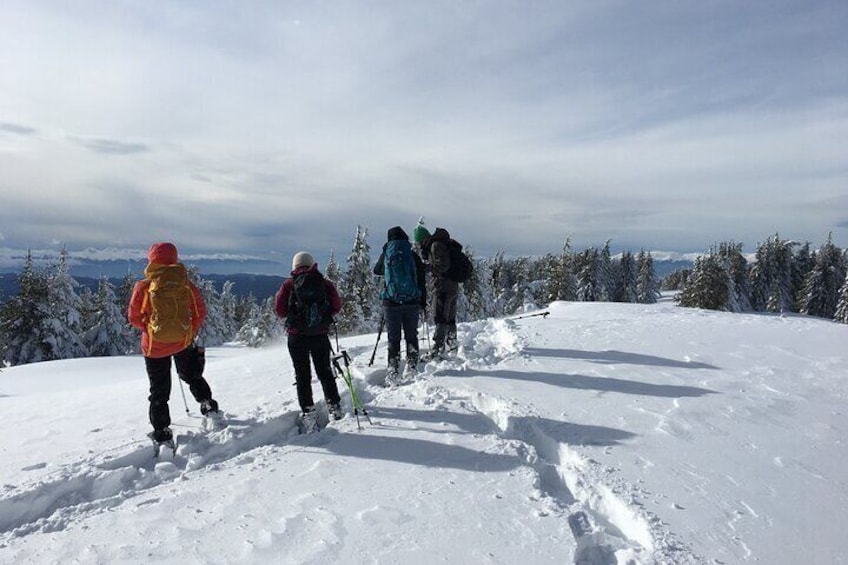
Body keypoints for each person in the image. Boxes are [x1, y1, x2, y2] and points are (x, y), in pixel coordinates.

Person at [128, 242, 221, 444]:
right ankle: (208, 406)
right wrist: (188, 331)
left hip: (154, 348)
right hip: (182, 342)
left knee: (159, 389)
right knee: (193, 376)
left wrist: (150, 329)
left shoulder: (143, 287)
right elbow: (199, 313)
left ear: (151, 260)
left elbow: (134, 318)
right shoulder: (186, 284)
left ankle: (161, 431)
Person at [274, 251, 344, 431]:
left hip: (297, 336)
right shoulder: (324, 283)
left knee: (302, 376)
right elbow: (336, 306)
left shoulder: (288, 284)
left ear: (294, 266)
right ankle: (334, 407)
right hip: (319, 335)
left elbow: (280, 311)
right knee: (325, 372)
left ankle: (309, 414)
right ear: (312, 264)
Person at [373, 226, 427, 383]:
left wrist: (385, 252)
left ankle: (393, 371)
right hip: (411, 301)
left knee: (393, 338)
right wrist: (422, 301)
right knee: (411, 336)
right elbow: (421, 279)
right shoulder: (412, 255)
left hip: (391, 303)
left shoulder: (387, 253)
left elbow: (377, 270)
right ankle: (412, 367)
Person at [414, 224, 459, 357]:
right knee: (449, 317)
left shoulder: (435, 246)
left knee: (440, 317)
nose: (419, 245)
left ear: (422, 239)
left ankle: (438, 349)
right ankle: (452, 344)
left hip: (443, 286)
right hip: (451, 285)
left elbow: (442, 266)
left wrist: (425, 267)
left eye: (419, 242)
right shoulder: (439, 243)